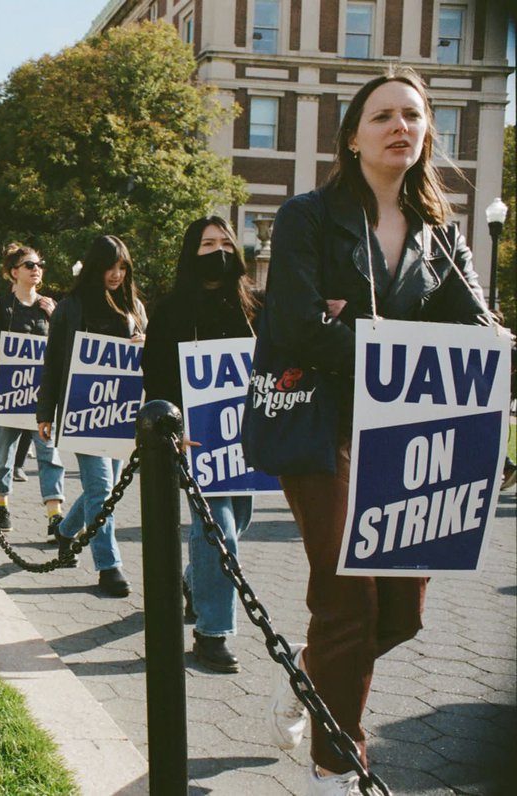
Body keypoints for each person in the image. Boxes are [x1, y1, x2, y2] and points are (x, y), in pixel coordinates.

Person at [261, 67, 493, 795]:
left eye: (414, 116)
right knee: (348, 600)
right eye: (383, 115)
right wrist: (391, 339)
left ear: (427, 135)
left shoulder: (442, 233)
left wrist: (360, 325)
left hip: (406, 440)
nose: (401, 126)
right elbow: (296, 326)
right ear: (353, 137)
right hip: (320, 426)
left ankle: (307, 674)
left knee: (400, 614)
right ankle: (336, 765)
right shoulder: (308, 215)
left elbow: (476, 329)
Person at [142, 216, 257, 668]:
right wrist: (173, 427)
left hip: (246, 444)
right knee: (218, 528)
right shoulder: (170, 310)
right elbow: (156, 376)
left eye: (225, 241)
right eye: (207, 243)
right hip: (194, 440)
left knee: (236, 521)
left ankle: (194, 579)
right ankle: (213, 632)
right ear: (192, 252)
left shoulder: (254, 307)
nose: (218, 250)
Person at [37, 235, 146, 598]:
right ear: (94, 268)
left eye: (122, 267)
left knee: (108, 490)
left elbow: (152, 358)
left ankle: (67, 531)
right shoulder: (71, 307)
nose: (116, 275)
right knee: (101, 488)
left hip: (120, 411)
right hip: (81, 409)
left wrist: (145, 344)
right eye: (108, 268)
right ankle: (109, 566)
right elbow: (52, 361)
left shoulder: (135, 309)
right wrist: (45, 411)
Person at [0, 244, 66, 537]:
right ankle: (2, 505)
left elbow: (63, 347)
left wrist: (56, 318)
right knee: (4, 454)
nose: (36, 269)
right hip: (10, 393)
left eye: (40, 264)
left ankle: (55, 515)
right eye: (30, 265)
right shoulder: (3, 306)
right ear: (14, 272)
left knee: (49, 454)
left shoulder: (50, 306)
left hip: (41, 396)